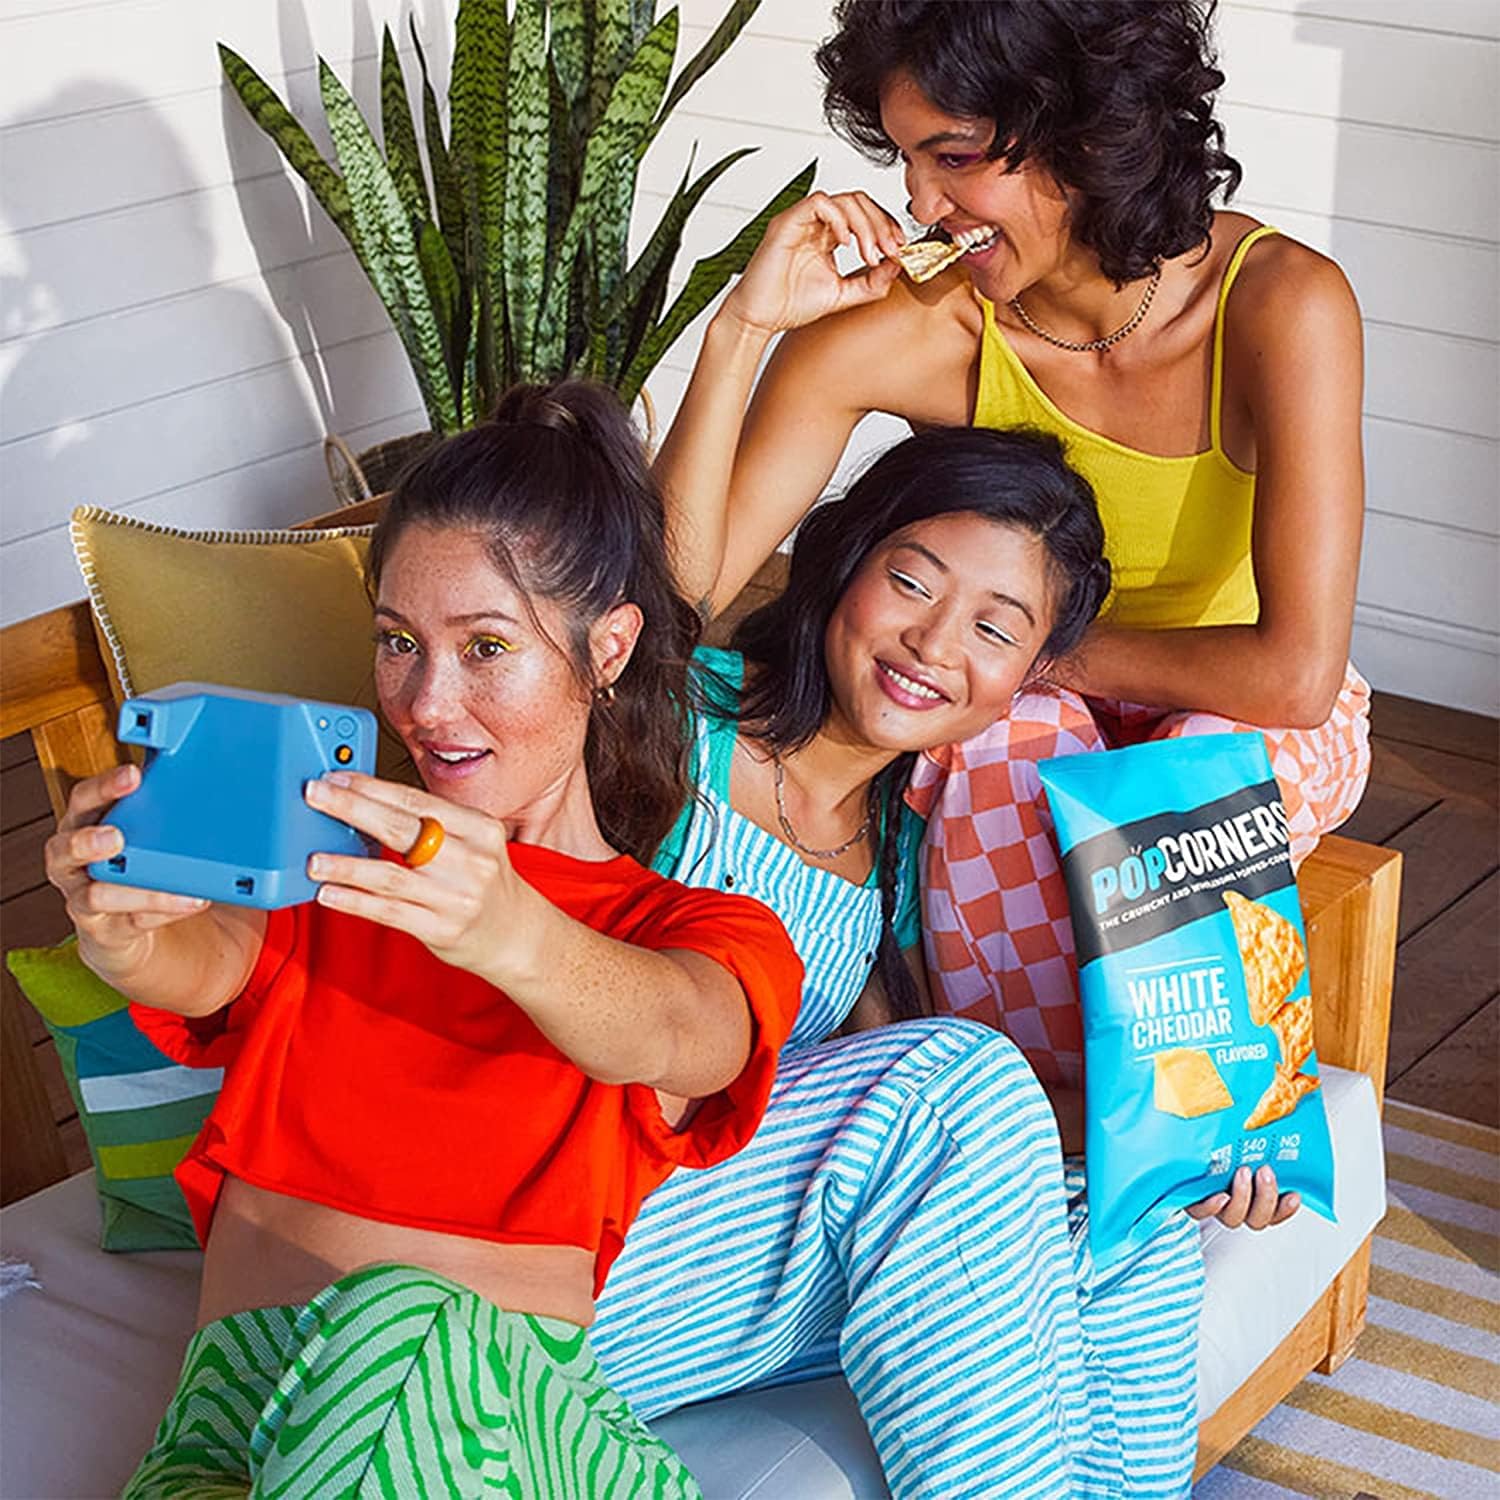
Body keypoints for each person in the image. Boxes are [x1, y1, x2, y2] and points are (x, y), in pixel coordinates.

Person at [43, 382, 804, 1498]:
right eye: (398, 642)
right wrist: (114, 929)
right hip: (230, 1421)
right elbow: (200, 963)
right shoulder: (325, 863)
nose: (426, 704)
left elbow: (686, 1034)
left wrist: (510, 930)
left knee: (395, 1322)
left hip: (497, 1424)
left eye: (486, 646)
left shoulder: (683, 929)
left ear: (607, 648)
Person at [660, 0, 1370, 1095]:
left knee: (1188, 771)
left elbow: (1294, 677)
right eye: (906, 159)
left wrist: (1017, 651)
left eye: (952, 159)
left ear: (1086, 136)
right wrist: (741, 329)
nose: (918, 202)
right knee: (1005, 747)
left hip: (1246, 704)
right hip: (1022, 693)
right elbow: (668, 600)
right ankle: (1030, 1130)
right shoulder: (914, 328)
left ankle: (1207, 1126)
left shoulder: (1279, 304)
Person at [587, 428, 1213, 1498]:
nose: (932, 642)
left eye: (993, 629)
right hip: (586, 1231)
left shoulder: (904, 839)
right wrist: (737, 343)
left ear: (1024, 678)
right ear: (844, 559)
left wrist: (1194, 1141)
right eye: (912, 582)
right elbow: (927, 1097)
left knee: (1124, 1218)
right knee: (956, 1072)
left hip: (732, 1252)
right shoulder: (671, 723)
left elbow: (894, 1118)